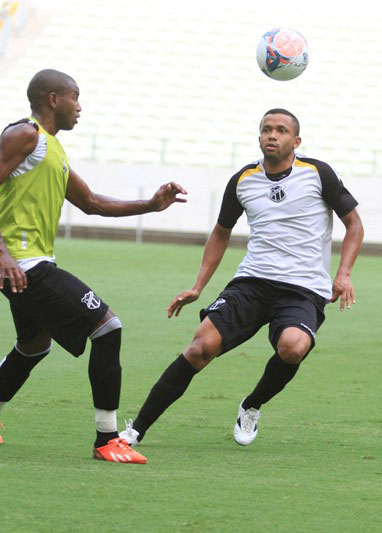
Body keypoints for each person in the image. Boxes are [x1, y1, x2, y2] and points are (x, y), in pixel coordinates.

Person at [0, 69, 187, 464]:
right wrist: (2, 252)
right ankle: (107, 439)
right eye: (75, 97)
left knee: (34, 345)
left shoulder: (51, 148)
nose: (80, 106)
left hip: (25, 264)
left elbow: (91, 203)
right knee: (107, 327)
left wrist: (150, 206)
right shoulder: (25, 135)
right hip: (24, 265)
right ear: (53, 99)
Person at [119, 108, 364, 447]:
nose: (271, 135)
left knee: (293, 348)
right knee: (198, 349)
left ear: (296, 140)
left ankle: (251, 405)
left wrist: (344, 274)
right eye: (266, 129)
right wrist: (197, 287)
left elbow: (355, 224)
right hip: (252, 283)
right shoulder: (243, 180)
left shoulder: (317, 173)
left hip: (303, 289)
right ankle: (134, 431)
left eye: (280, 130)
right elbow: (221, 233)